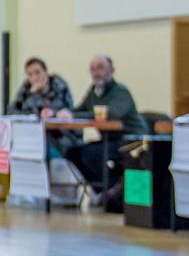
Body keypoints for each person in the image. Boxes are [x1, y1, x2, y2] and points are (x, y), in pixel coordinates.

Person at [56, 55, 149, 188]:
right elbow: (80, 110)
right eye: (92, 69)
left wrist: (78, 115)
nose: (96, 73)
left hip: (132, 140)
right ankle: (102, 189)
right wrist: (65, 113)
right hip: (109, 140)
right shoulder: (94, 91)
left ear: (112, 70)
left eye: (100, 68)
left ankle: (114, 188)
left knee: (90, 155)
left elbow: (111, 114)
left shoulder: (120, 91)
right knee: (72, 152)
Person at [9, 56, 77, 154]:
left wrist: (51, 112)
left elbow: (58, 110)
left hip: (59, 134)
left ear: (45, 72)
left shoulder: (58, 86)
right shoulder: (26, 88)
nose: (34, 78)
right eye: (30, 74)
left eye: (37, 72)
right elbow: (12, 110)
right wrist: (33, 95)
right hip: (32, 134)